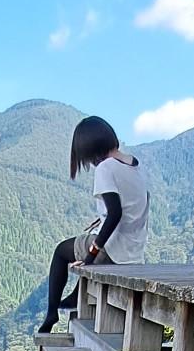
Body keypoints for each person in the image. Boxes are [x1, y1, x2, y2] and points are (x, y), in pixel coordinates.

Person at [38, 115, 150, 333]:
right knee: (83, 243)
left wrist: (90, 257)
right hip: (133, 251)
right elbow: (132, 206)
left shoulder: (105, 168)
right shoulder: (135, 165)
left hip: (113, 250)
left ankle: (51, 313)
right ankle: (73, 296)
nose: (89, 163)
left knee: (61, 251)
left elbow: (115, 213)